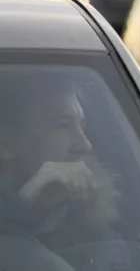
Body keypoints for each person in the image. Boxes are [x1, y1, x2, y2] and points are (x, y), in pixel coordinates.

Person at [0, 73, 121, 270]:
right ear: (5, 144)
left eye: (82, 126)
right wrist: (21, 209)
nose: (85, 144)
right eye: (63, 125)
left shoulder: (94, 218)